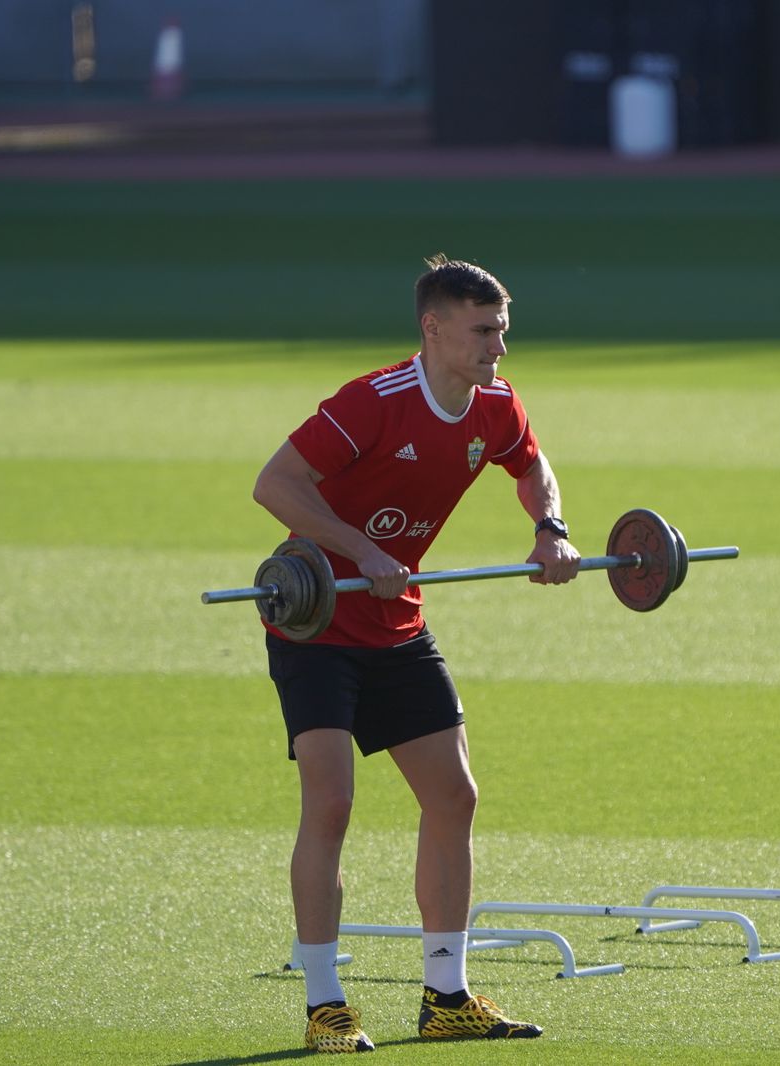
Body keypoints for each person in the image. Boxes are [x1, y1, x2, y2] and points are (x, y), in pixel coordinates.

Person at [252, 254, 581, 1053]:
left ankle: (447, 995)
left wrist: (551, 529)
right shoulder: (373, 402)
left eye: (501, 331)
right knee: (331, 804)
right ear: (432, 329)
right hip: (316, 623)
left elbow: (533, 464)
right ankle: (326, 1006)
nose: (496, 348)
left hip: (397, 624)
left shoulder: (495, 404)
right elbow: (276, 484)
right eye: (481, 332)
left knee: (455, 797)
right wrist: (359, 550)